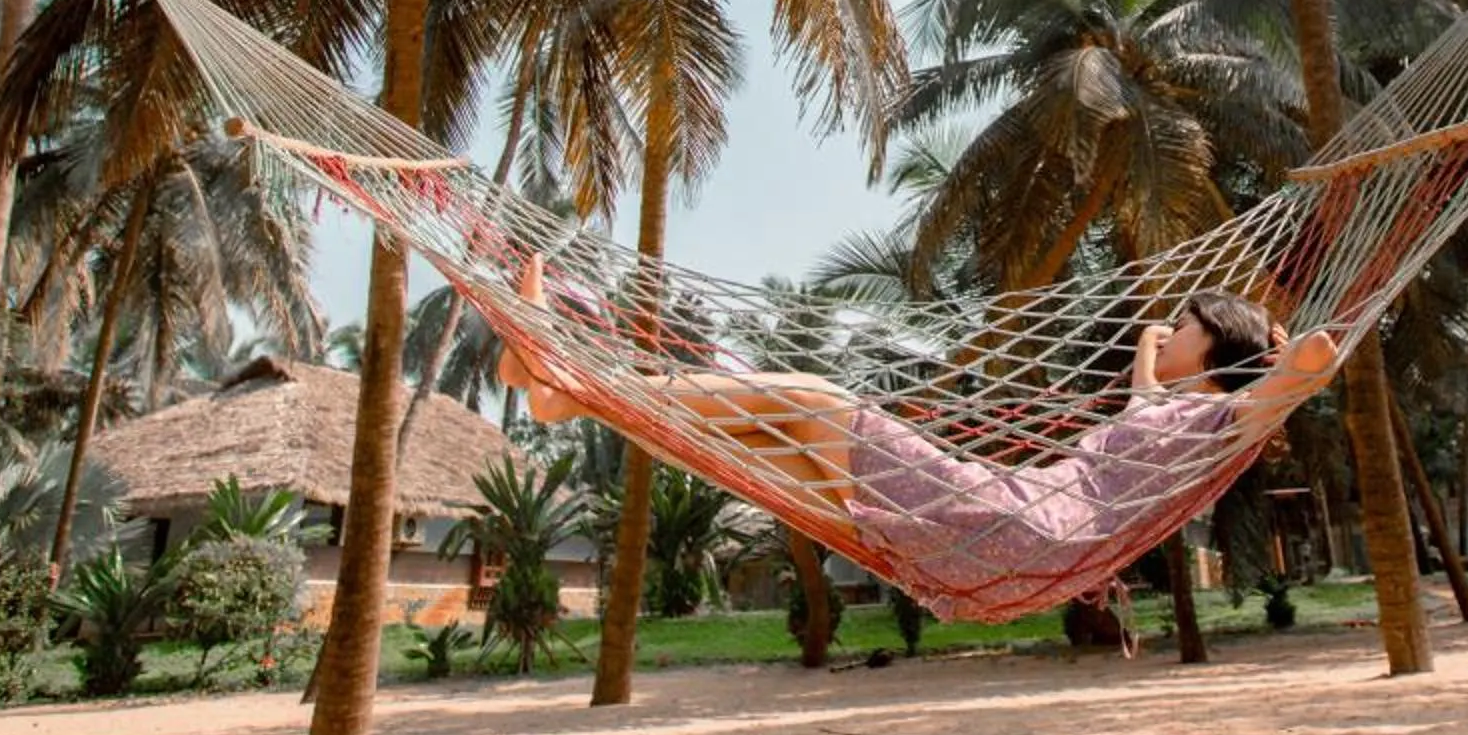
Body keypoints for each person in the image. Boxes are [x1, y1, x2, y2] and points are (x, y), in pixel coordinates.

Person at [494, 260, 1340, 612]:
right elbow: (1144, 386)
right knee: (766, 448)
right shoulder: (1165, 415)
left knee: (817, 400)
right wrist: (1154, 341)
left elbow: (1284, 387)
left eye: (1190, 322)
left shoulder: (1218, 423)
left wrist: (1296, 361)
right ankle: (573, 401)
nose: (1172, 327)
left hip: (1020, 524)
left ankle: (579, 383)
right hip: (1011, 548)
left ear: (1218, 349)